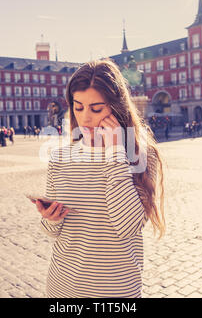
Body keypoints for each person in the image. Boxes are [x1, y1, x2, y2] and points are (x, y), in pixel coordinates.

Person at [33, 59, 165, 298]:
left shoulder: (144, 156)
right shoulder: (60, 157)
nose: (85, 119)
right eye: (78, 107)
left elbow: (127, 227)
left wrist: (115, 152)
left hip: (116, 292)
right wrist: (50, 218)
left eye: (96, 109)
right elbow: (52, 231)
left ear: (116, 108)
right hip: (62, 289)